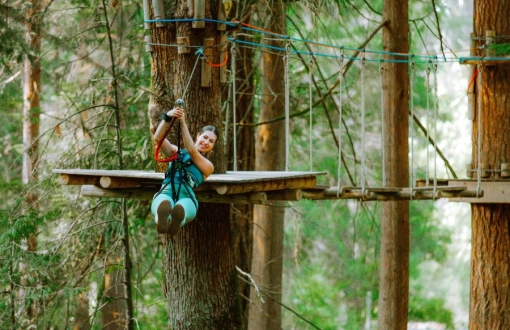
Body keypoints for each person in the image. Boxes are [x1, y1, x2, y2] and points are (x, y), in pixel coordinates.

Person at [151, 106, 218, 235]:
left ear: (212, 147)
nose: (206, 142)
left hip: (186, 195)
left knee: (182, 208)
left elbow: (192, 152)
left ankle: (177, 219)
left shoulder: (208, 166)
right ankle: (162, 219)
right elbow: (158, 138)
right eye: (204, 137)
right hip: (167, 191)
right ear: (198, 135)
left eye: (211, 141)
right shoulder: (176, 152)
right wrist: (168, 117)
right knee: (163, 203)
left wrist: (182, 122)